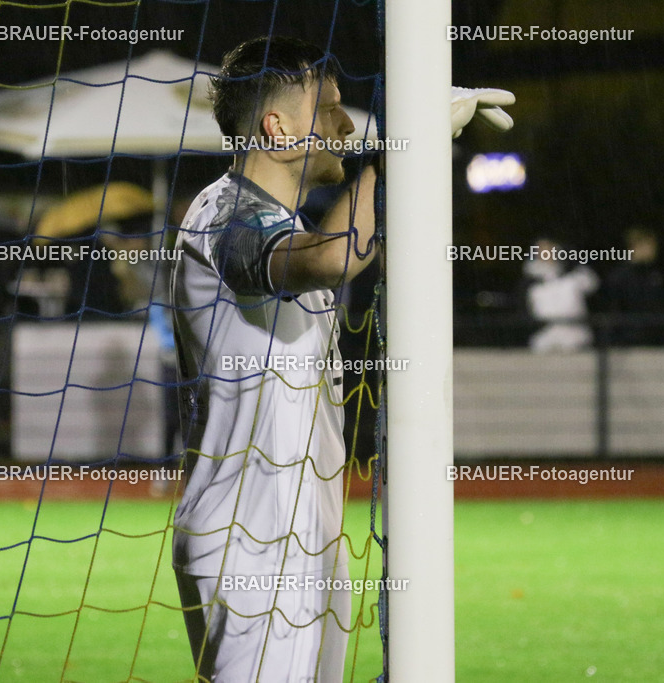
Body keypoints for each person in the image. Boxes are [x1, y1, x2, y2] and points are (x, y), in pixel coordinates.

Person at [169, 36, 379, 681]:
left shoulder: (281, 222)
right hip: (249, 542)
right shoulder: (225, 215)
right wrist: (398, 160)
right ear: (277, 127)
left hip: (306, 532)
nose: (347, 126)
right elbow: (335, 257)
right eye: (330, 109)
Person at [522, 238, 599, 352]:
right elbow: (533, 314)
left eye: (550, 250)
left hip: (576, 334)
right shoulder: (533, 286)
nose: (546, 254)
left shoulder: (573, 278)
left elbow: (591, 283)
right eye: (542, 251)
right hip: (550, 334)